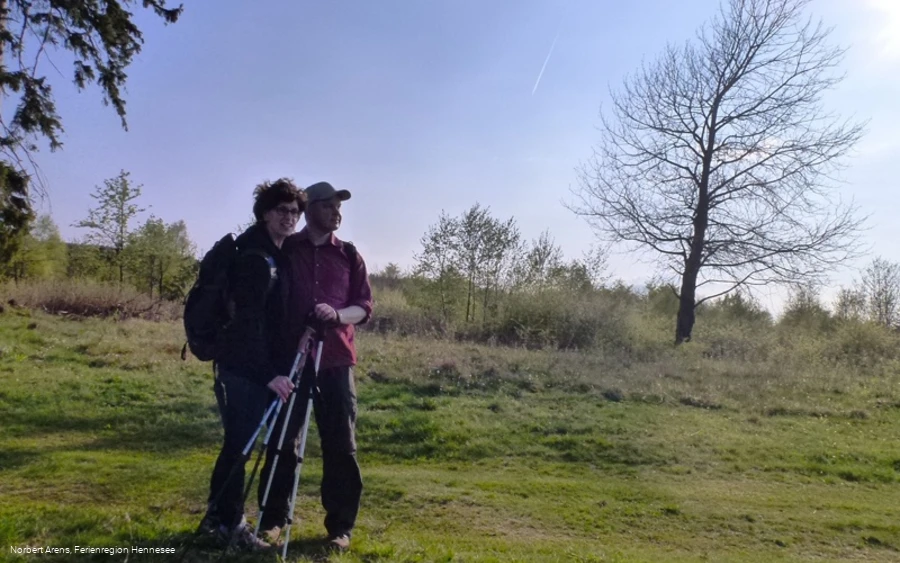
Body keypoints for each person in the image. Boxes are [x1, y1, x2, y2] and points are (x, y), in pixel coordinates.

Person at [256, 181, 373, 552]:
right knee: (282, 442)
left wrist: (337, 314)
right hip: (291, 361)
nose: (337, 213)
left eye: (340, 207)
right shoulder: (287, 248)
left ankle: (340, 528)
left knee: (341, 444)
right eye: (329, 206)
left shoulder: (350, 255)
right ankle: (272, 520)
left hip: (337, 363)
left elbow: (363, 309)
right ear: (310, 210)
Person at [200, 178, 306, 551]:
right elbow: (247, 325)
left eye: (295, 212)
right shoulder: (255, 260)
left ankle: (218, 521)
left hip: (253, 367)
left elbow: (272, 319)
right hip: (243, 368)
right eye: (281, 210)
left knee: (237, 445)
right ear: (264, 213)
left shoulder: (275, 254)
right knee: (239, 446)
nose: (289, 217)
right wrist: (270, 375)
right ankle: (228, 524)